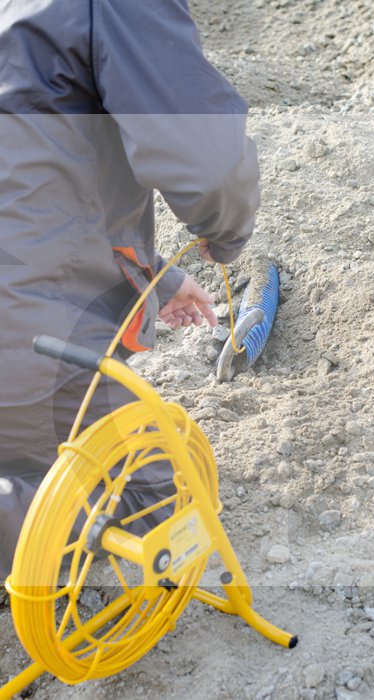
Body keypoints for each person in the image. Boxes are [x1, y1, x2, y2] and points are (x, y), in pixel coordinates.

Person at [0, 0, 260, 578]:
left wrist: (158, 277)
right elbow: (209, 164)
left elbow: (32, 188)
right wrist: (227, 232)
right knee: (161, 502)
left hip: (20, 308)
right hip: (28, 337)